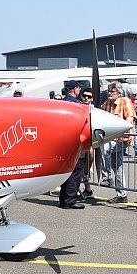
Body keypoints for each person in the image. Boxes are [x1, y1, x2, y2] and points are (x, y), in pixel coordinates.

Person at [101, 83, 136, 204]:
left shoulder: (125, 101)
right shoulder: (106, 104)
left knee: (103, 148)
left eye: (113, 91)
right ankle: (122, 194)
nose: (110, 93)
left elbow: (130, 118)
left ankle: (107, 177)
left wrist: (125, 130)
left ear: (119, 93)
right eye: (109, 91)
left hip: (121, 139)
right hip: (110, 138)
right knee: (118, 167)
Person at [57, 81, 87, 209]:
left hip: (63, 144)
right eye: (78, 89)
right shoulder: (76, 105)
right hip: (75, 144)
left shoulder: (61, 103)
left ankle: (63, 199)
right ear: (75, 89)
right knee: (75, 172)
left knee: (67, 172)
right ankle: (70, 200)